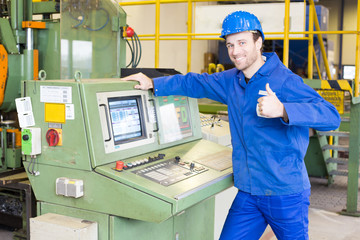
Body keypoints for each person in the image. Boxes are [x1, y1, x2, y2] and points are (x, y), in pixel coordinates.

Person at [121, 11, 341, 240]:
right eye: (230, 45)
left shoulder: (285, 81)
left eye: (242, 43)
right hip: (249, 193)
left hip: (284, 193)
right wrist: (153, 83)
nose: (235, 52)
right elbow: (196, 82)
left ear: (259, 42)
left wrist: (283, 110)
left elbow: (331, 115)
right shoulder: (232, 80)